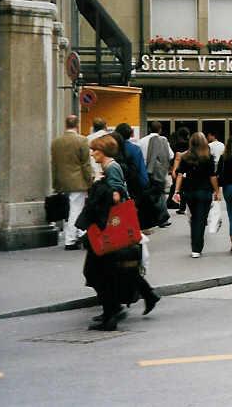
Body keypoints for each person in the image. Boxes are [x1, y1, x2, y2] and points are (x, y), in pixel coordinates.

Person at [76, 135, 159, 330]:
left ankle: (112, 313)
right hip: (110, 228)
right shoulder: (109, 167)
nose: (92, 153)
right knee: (114, 270)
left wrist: (97, 184)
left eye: (95, 150)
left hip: (109, 229)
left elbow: (115, 196)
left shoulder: (111, 168)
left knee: (103, 271)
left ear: (103, 151)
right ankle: (120, 307)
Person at [172, 132, 221, 258]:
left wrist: (176, 191)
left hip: (189, 192)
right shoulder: (208, 157)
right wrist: (217, 191)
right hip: (204, 192)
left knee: (194, 218)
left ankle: (195, 247)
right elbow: (212, 176)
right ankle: (197, 248)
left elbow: (180, 175)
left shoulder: (185, 157)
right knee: (200, 219)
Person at [50, 115, 93, 250]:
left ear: (65, 125)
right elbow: (86, 164)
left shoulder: (56, 142)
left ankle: (81, 234)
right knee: (76, 209)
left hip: (62, 180)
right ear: (77, 125)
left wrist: (55, 183)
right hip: (77, 181)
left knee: (69, 210)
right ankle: (70, 240)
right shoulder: (82, 141)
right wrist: (89, 181)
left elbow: (54, 164)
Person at [140, 121, 174, 216]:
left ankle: (149, 214)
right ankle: (161, 216)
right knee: (159, 194)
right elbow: (171, 155)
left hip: (144, 170)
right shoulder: (163, 140)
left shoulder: (141, 141)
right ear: (160, 130)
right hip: (158, 172)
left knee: (148, 194)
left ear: (149, 129)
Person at [168, 126, 191, 215]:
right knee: (186, 188)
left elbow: (175, 159)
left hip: (178, 168)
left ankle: (180, 205)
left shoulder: (175, 146)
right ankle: (185, 205)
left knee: (179, 188)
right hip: (188, 168)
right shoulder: (190, 145)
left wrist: (173, 170)